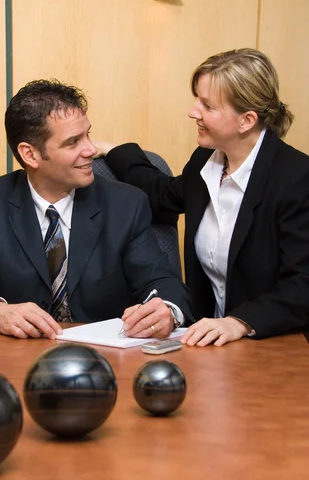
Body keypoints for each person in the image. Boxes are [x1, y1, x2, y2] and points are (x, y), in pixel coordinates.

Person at [0, 79, 193, 339]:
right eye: (73, 142)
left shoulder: (125, 203)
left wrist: (167, 311)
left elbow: (163, 283)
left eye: (88, 134)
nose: (91, 149)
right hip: (22, 358)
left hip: (105, 359)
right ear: (30, 155)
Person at [95, 48, 309, 346]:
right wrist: (111, 150)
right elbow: (161, 193)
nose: (193, 111)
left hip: (277, 345)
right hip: (211, 349)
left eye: (207, 105)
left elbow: (302, 285)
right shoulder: (205, 161)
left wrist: (240, 322)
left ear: (246, 120)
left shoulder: (297, 178)